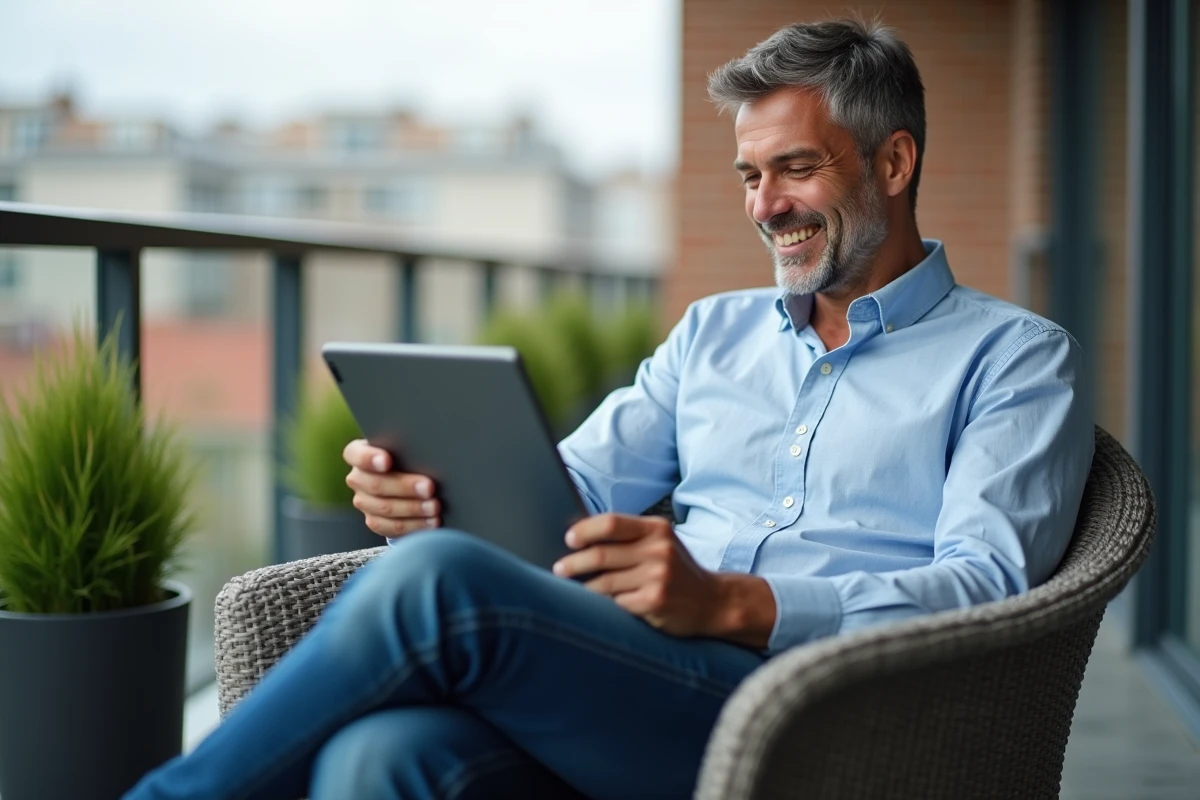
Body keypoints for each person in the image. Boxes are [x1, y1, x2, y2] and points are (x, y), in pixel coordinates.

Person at [126, 17, 1092, 800]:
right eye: (750, 177)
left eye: (795, 169)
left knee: (436, 584)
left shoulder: (1015, 359)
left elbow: (988, 587)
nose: (764, 208)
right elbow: (574, 485)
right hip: (644, 689)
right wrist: (436, 496)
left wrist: (738, 604)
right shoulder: (714, 333)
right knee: (379, 759)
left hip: (833, 720)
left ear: (893, 163)